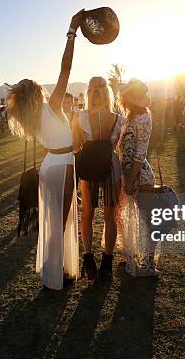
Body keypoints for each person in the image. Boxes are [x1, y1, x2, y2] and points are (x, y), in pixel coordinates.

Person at [6, 10, 84, 290]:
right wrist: (71, 34)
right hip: (62, 165)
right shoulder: (50, 107)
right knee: (60, 223)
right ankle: (55, 276)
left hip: (51, 164)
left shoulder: (32, 119)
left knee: (54, 220)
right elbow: (66, 70)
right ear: (38, 94)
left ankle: (57, 270)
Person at [72, 76, 125, 282]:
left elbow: (76, 146)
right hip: (112, 168)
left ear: (88, 92)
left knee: (87, 214)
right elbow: (117, 145)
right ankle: (107, 264)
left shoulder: (80, 117)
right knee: (110, 216)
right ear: (107, 93)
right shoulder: (118, 119)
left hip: (90, 168)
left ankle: (88, 258)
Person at [117, 78, 159, 277]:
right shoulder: (131, 116)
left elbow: (139, 154)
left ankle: (149, 264)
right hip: (130, 175)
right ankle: (135, 258)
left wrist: (131, 180)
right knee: (134, 219)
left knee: (147, 221)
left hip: (140, 177)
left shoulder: (142, 118)